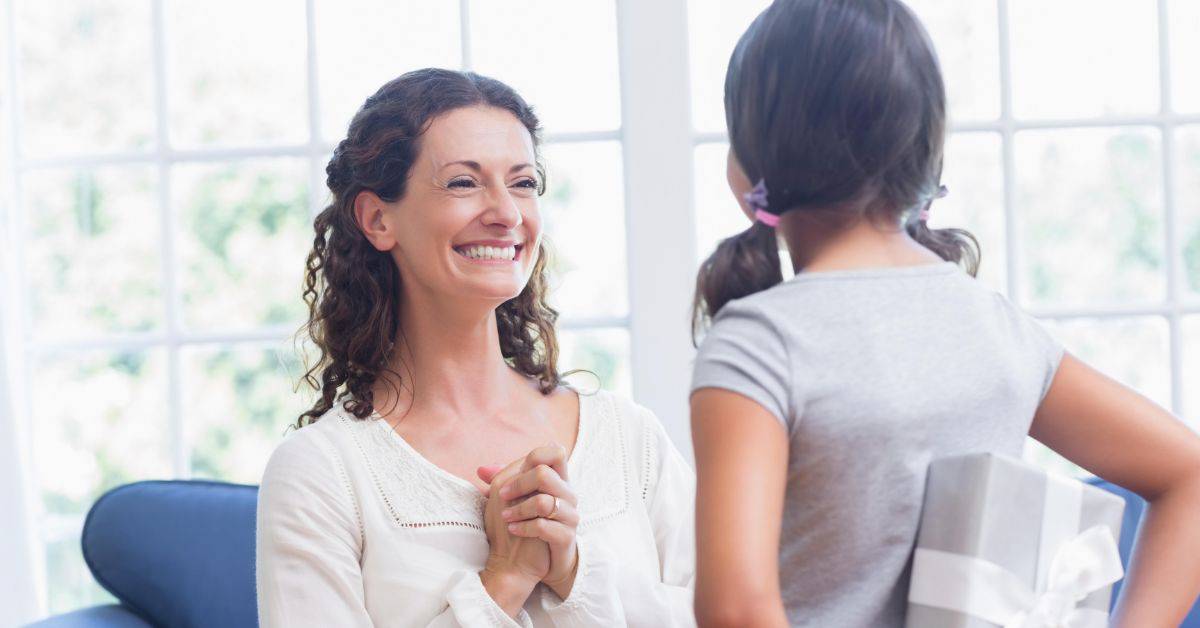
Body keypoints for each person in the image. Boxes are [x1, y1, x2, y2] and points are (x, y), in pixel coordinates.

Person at [687, 1, 1200, 626]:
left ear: (754, 157)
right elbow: (1189, 475)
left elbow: (736, 612)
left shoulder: (759, 342)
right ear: (921, 147)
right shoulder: (993, 324)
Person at [256, 68, 695, 627]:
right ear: (376, 217)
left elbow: (733, 616)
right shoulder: (323, 471)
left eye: (524, 183)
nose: (507, 214)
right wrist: (503, 582)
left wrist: (573, 574)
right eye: (464, 183)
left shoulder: (630, 440)